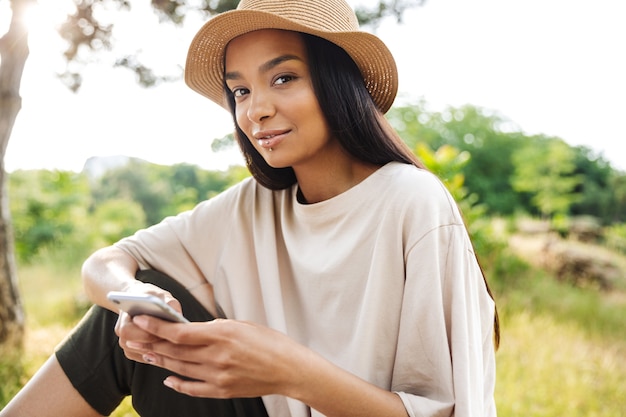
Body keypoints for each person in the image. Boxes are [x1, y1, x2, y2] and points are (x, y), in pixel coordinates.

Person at [0, 0, 500, 416]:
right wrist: (132, 295)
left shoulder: (411, 201)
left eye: (282, 78)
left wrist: (291, 371)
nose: (255, 109)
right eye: (240, 90)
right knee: (125, 321)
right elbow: (104, 264)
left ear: (337, 82)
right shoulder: (255, 206)